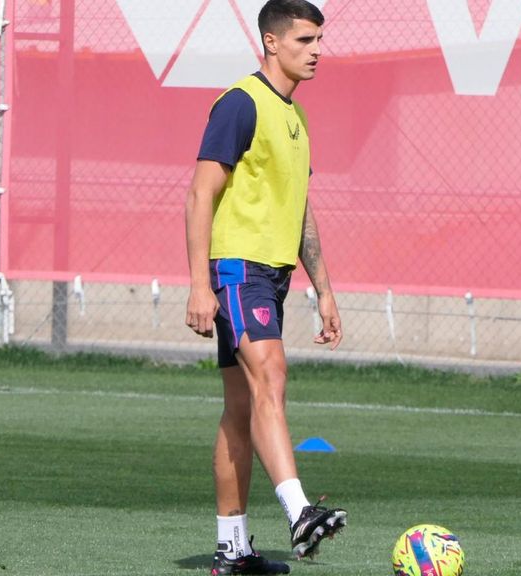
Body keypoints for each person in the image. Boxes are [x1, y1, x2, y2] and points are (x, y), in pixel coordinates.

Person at [184, 1, 347, 574]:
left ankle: (233, 549)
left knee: (239, 409)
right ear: (272, 43)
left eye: (320, 39)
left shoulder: (295, 120)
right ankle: (300, 510)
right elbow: (200, 193)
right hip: (238, 271)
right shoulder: (240, 103)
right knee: (271, 375)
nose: (317, 49)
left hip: (272, 279)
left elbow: (300, 212)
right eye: (305, 39)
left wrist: (323, 290)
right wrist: (199, 285)